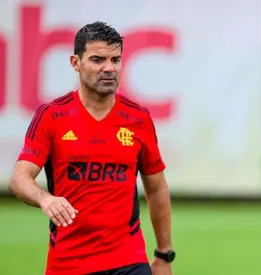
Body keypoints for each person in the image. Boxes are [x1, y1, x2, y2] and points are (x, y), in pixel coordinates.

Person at [9, 22, 175, 275]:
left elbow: (157, 187)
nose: (109, 68)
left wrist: (164, 254)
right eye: (97, 60)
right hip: (68, 264)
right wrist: (45, 199)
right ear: (76, 62)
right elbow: (20, 178)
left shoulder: (138, 119)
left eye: (115, 59)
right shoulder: (52, 116)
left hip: (129, 260)